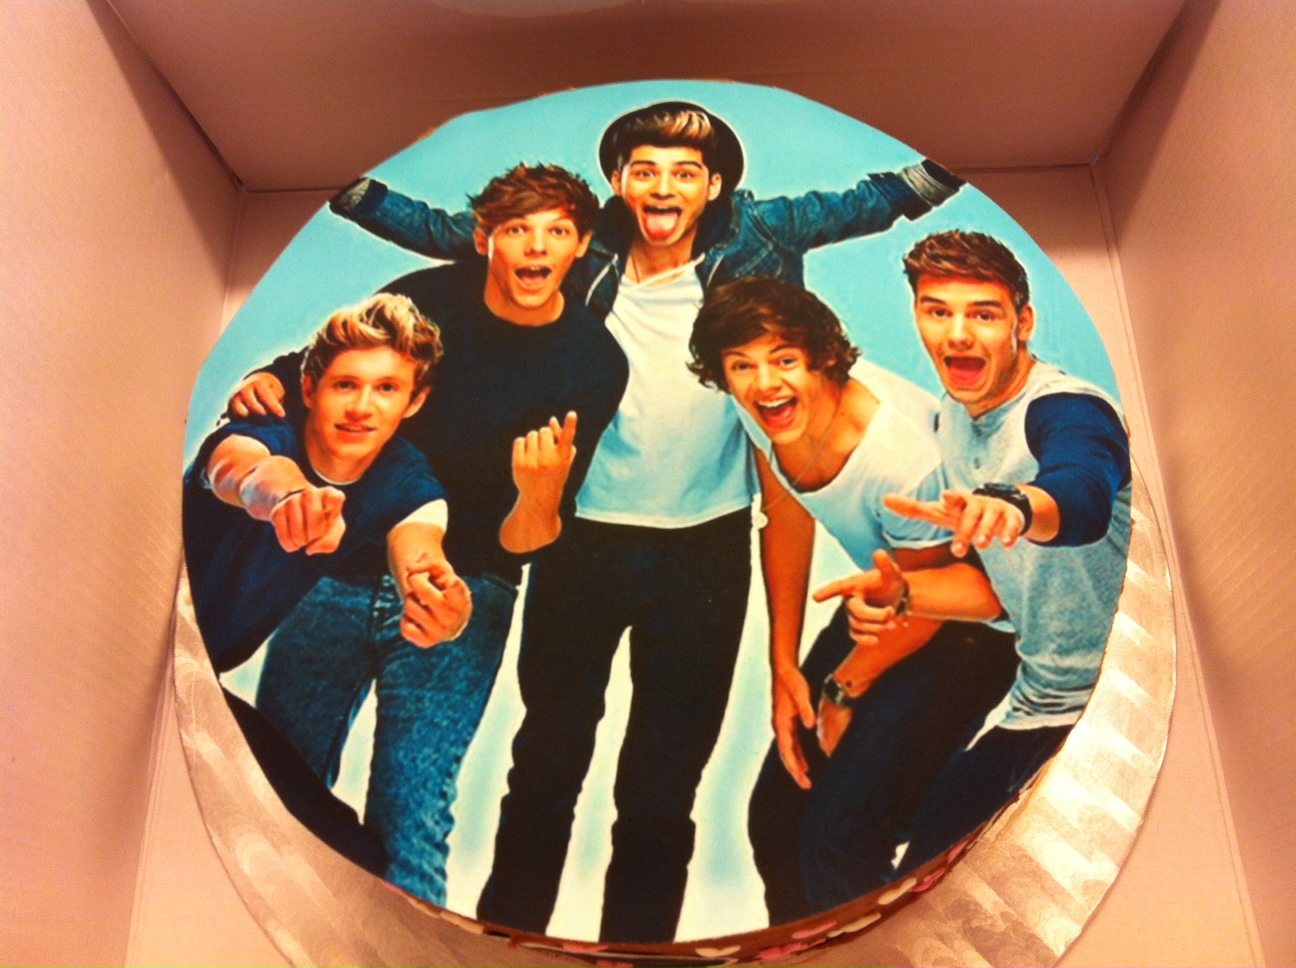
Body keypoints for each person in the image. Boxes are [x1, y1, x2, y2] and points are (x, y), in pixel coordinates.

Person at [331, 101, 966, 943]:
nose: (664, 187)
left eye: (685, 172)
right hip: (581, 543)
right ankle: (509, 945)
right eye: (645, 170)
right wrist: (341, 180)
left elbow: (873, 201)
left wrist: (967, 144)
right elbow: (457, 232)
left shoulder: (761, 236)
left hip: (704, 552)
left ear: (714, 186)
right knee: (544, 766)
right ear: (619, 182)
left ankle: (638, 956)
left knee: (661, 791)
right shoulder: (578, 242)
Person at [227, 164, 628, 908]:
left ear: (581, 247)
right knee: (277, 783)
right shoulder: (426, 298)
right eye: (517, 229)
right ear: (483, 240)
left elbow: (524, 543)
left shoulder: (594, 362)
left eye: (557, 231)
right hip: (339, 567)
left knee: (412, 811)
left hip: (463, 587)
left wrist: (540, 492)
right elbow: (318, 372)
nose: (537, 246)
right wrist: (263, 381)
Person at [687, 276, 1019, 924]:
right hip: (886, 596)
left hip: (970, 623)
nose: (764, 383)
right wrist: (784, 666)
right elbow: (786, 511)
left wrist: (842, 690)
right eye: (742, 366)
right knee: (776, 818)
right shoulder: (761, 408)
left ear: (822, 358)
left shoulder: (900, 459)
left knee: (842, 838)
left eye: (784, 360)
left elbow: (934, 596)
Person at [873, 229, 1132, 884]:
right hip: (1037, 705)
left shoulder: (1067, 408)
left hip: (1108, 710)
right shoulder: (952, 418)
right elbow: (1002, 592)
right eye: (938, 311)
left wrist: (1016, 505)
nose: (958, 334)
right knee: (918, 872)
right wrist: (903, 594)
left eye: (983, 314)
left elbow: (1082, 490)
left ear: (1024, 321)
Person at [183, 292, 457, 875]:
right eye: (345, 385)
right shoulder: (261, 430)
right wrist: (289, 499)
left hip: (192, 683)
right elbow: (243, 470)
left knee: (348, 849)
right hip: (119, 651)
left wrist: (438, 601)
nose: (361, 407)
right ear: (308, 389)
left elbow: (420, 547)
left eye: (387, 388)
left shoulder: (406, 478)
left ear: (414, 401)